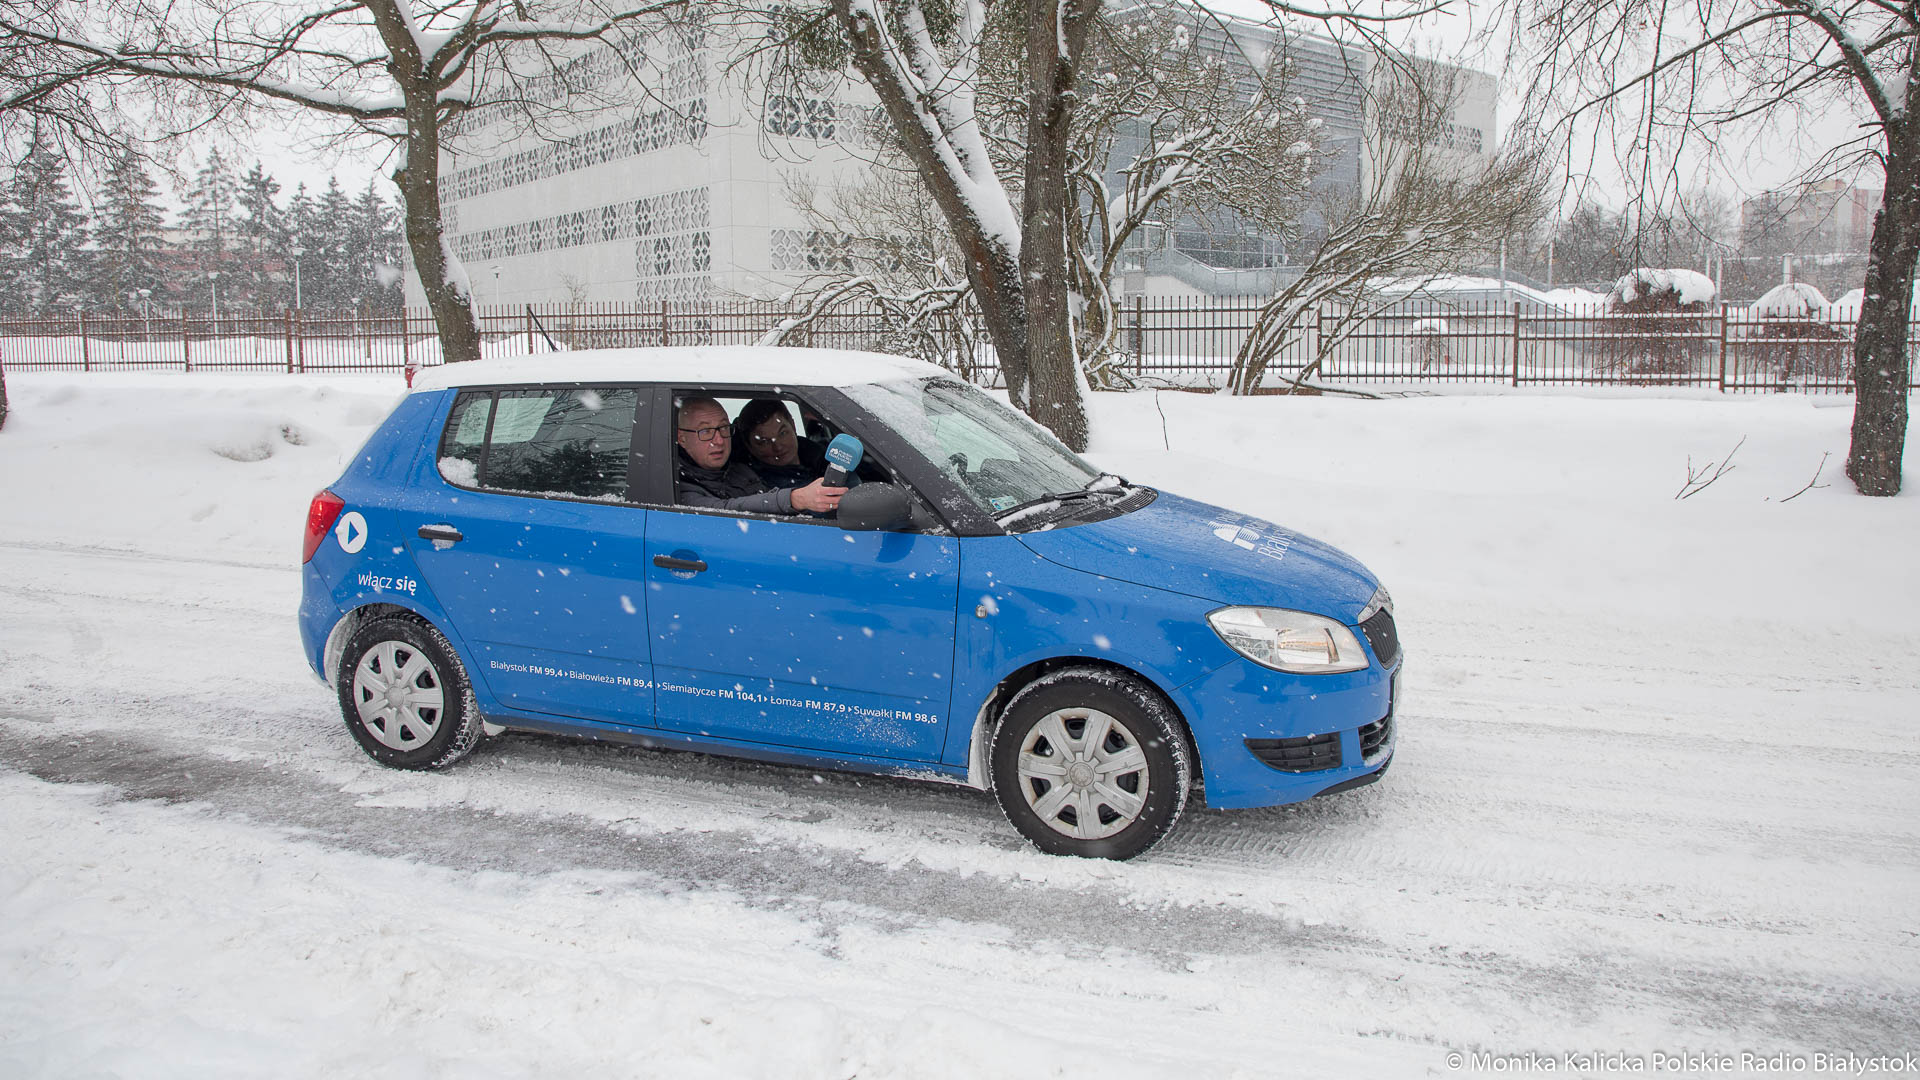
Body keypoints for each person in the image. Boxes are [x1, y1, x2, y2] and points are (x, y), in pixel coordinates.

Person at [675, 396, 844, 515]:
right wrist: (796, 499)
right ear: (681, 438)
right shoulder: (675, 486)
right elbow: (723, 511)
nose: (719, 440)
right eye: (705, 431)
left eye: (723, 427)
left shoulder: (739, 471)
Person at [735, 397, 833, 489]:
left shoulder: (822, 454)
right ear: (750, 447)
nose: (778, 447)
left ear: (793, 426)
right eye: (764, 442)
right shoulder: (762, 489)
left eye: (782, 433)